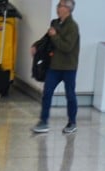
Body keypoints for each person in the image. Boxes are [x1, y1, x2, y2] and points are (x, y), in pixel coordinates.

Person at [33, 0, 80, 135]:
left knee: (70, 95)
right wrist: (36, 45)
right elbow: (47, 38)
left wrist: (55, 36)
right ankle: (43, 121)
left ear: (68, 9)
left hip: (68, 67)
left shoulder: (72, 27)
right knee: (47, 93)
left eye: (60, 5)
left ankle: (72, 122)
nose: (58, 8)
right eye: (58, 5)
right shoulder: (54, 23)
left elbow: (67, 47)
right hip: (54, 66)